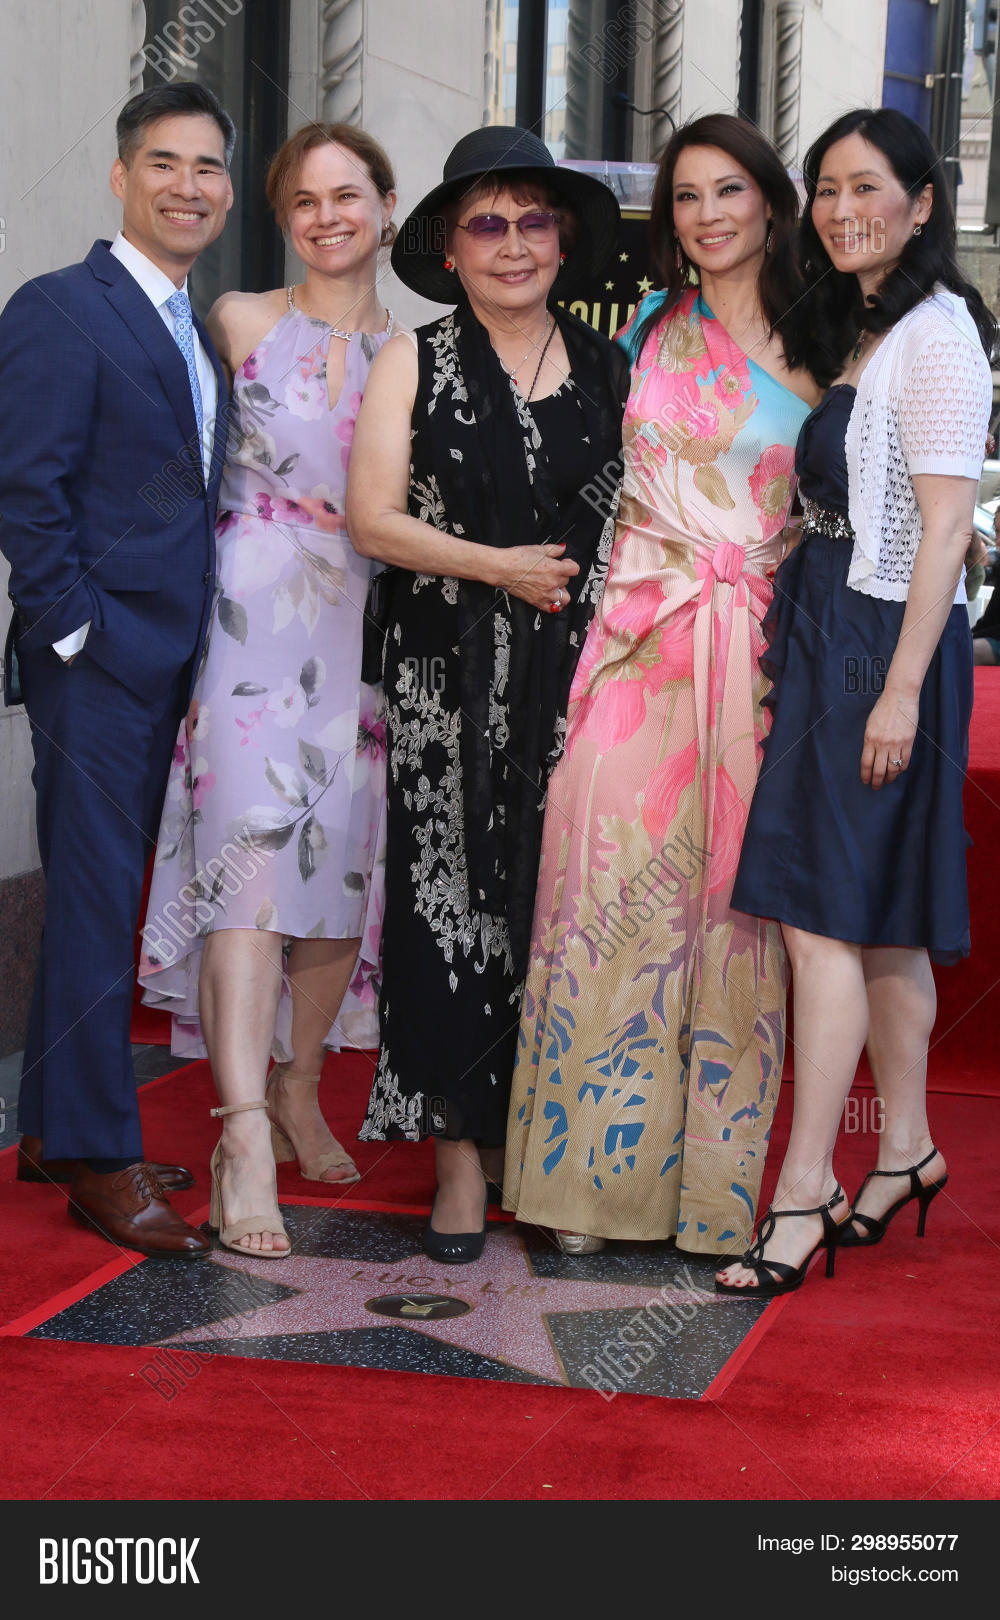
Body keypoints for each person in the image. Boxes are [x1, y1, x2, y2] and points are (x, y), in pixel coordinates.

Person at [503, 114, 821, 1256]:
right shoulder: (647, 326)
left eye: (729, 190)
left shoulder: (827, 333)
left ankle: (709, 1191)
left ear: (770, 200)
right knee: (602, 890)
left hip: (759, 659)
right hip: (636, 647)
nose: (708, 215)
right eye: (686, 197)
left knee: (732, 916)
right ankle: (589, 1182)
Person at [716, 107, 995, 1298]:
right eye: (825, 188)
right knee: (878, 919)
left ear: (922, 203)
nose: (840, 210)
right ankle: (905, 1151)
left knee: (818, 915)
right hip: (837, 618)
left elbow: (946, 527)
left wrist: (896, 695)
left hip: (883, 644)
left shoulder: (939, 339)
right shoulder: (863, 321)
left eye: (867, 187)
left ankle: (800, 1192)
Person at [346, 126, 629, 1263]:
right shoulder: (411, 360)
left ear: (562, 241)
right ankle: (459, 1157)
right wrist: (498, 567)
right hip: (444, 681)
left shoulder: (611, 367)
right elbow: (372, 519)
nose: (514, 244)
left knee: (556, 910)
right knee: (447, 909)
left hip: (581, 683)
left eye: (534, 220)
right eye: (487, 223)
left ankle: (542, 1146)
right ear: (451, 249)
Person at [138, 123, 397, 1257]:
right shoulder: (239, 321)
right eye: (304, 200)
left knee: (336, 880)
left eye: (347, 195)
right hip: (246, 631)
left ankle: (299, 1085)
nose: (326, 217)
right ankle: (240, 1134)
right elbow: (165, 467)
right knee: (245, 873)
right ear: (283, 217)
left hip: (362, 633)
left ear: (386, 207)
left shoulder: (417, 354)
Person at [0, 84, 235, 1257]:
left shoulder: (197, 328)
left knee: (103, 893)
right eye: (164, 163)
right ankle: (99, 1155)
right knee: (97, 901)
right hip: (95, 664)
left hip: (166, 657)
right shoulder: (59, 307)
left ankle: (53, 1124)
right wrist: (75, 631)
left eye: (207, 167)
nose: (188, 186)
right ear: (120, 176)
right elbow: (24, 486)